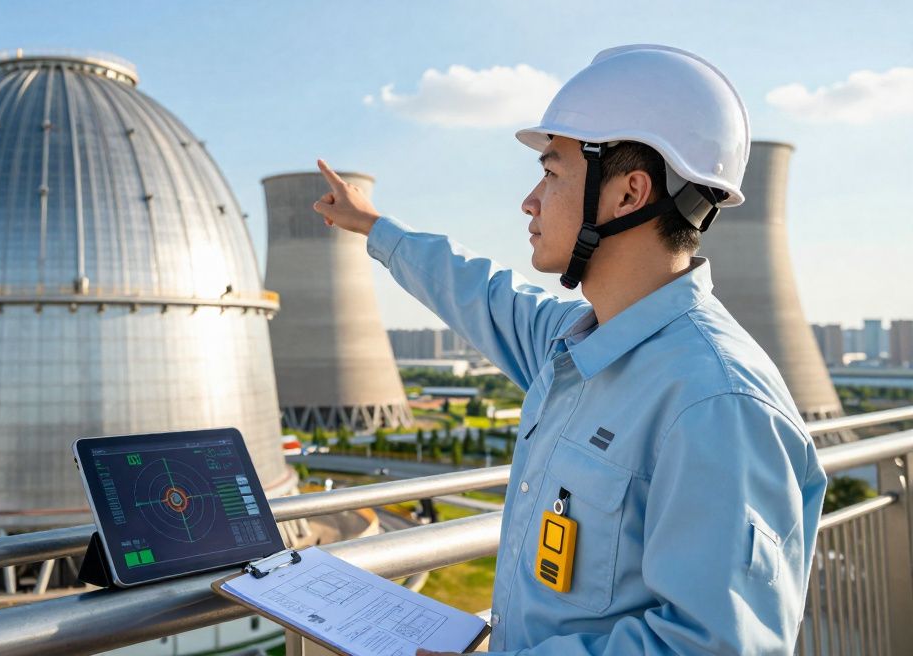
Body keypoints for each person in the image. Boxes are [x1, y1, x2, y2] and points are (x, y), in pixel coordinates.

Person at [312, 45, 826, 655]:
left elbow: (712, 645)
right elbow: (480, 292)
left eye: (552, 173)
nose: (530, 200)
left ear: (628, 194)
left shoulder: (714, 403)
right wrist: (375, 226)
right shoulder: (574, 346)